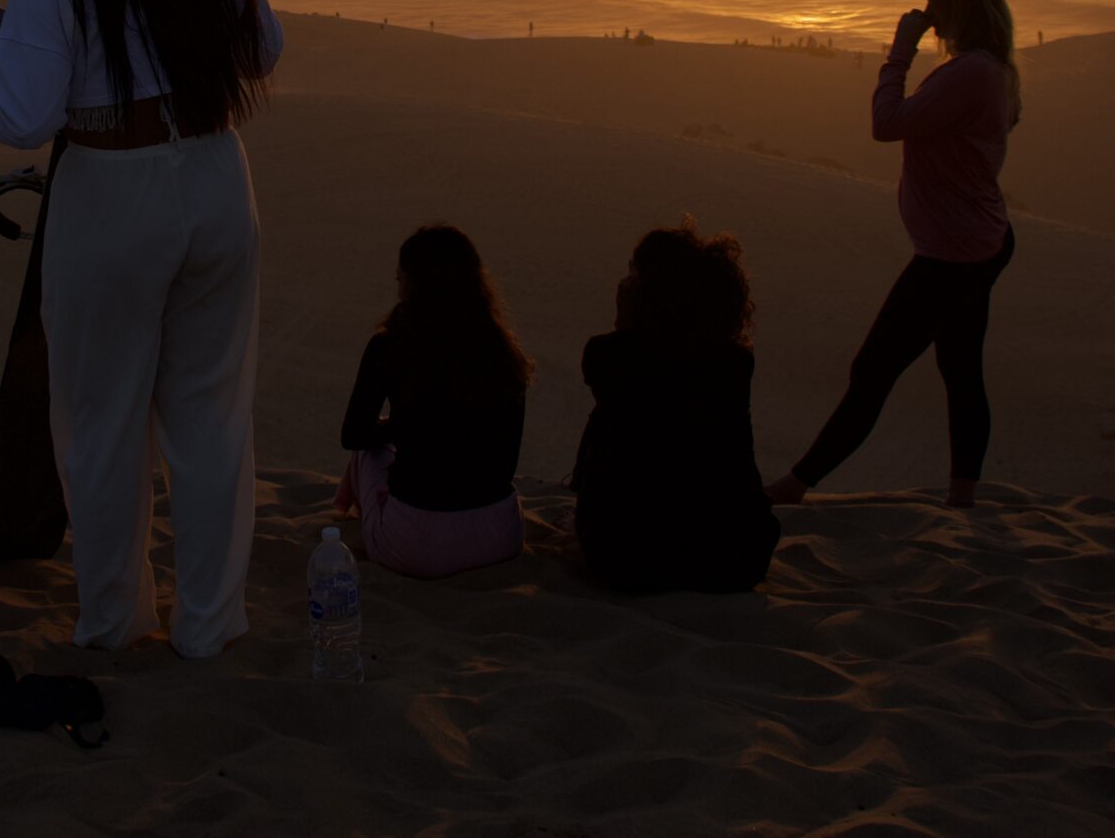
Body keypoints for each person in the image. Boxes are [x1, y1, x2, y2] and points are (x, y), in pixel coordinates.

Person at [0, 0, 284, 659]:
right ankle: (210, 625)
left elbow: (25, 117)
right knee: (211, 413)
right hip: (216, 175)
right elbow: (264, 52)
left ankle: (115, 621)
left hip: (110, 190)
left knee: (103, 420)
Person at [767, 0, 1022, 509]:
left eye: (936, 1)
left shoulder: (971, 72)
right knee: (959, 367)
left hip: (953, 253)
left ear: (958, 5)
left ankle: (795, 485)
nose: (929, 12)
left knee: (874, 370)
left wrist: (900, 49)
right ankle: (962, 495)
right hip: (980, 238)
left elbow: (886, 123)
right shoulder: (995, 68)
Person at [575, 222, 780, 592]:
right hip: (737, 558)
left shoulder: (607, 356)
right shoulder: (735, 363)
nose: (624, 283)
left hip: (631, 557)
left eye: (634, 276)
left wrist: (624, 325)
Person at [334, 226, 528, 580]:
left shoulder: (390, 346)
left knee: (367, 454)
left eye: (400, 278)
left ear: (412, 283)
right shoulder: (502, 351)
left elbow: (354, 434)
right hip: (501, 537)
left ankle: (343, 515)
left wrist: (402, 425)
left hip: (418, 547)